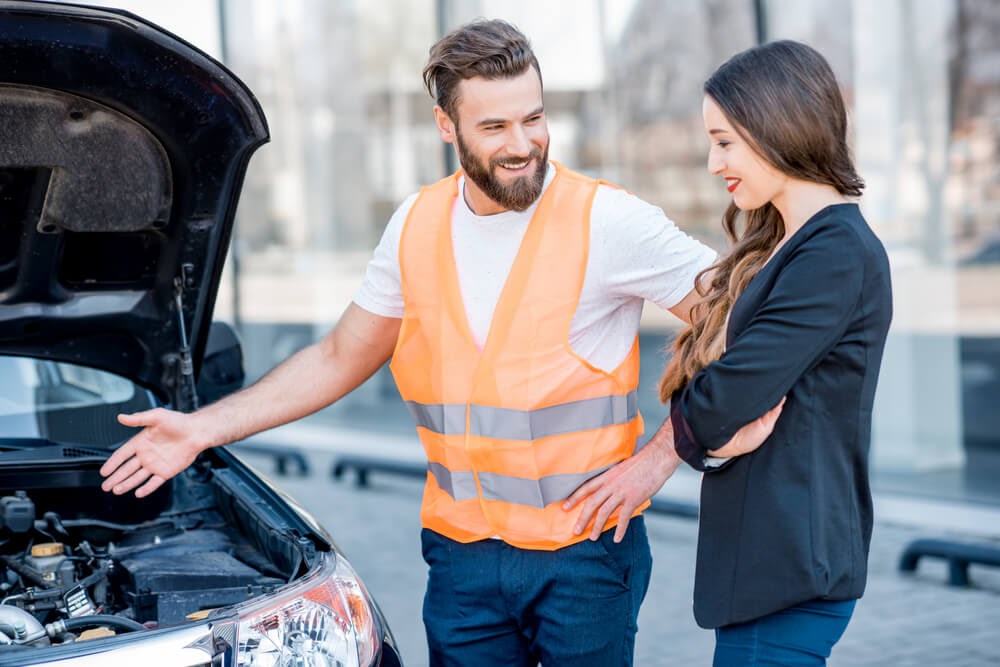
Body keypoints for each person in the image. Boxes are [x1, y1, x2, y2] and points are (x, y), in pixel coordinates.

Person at [99, 18, 771, 667]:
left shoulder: (609, 221)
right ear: (446, 126)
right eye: (494, 125)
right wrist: (199, 428)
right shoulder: (415, 226)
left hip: (585, 555)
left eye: (533, 118)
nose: (523, 143)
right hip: (461, 557)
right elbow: (339, 357)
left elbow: (747, 319)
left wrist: (661, 457)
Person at [573, 40, 893, 666]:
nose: (715, 161)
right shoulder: (787, 242)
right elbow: (730, 400)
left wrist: (689, 445)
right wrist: (715, 443)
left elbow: (731, 391)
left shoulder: (836, 254)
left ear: (777, 126)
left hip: (792, 568)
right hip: (766, 562)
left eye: (725, 140)